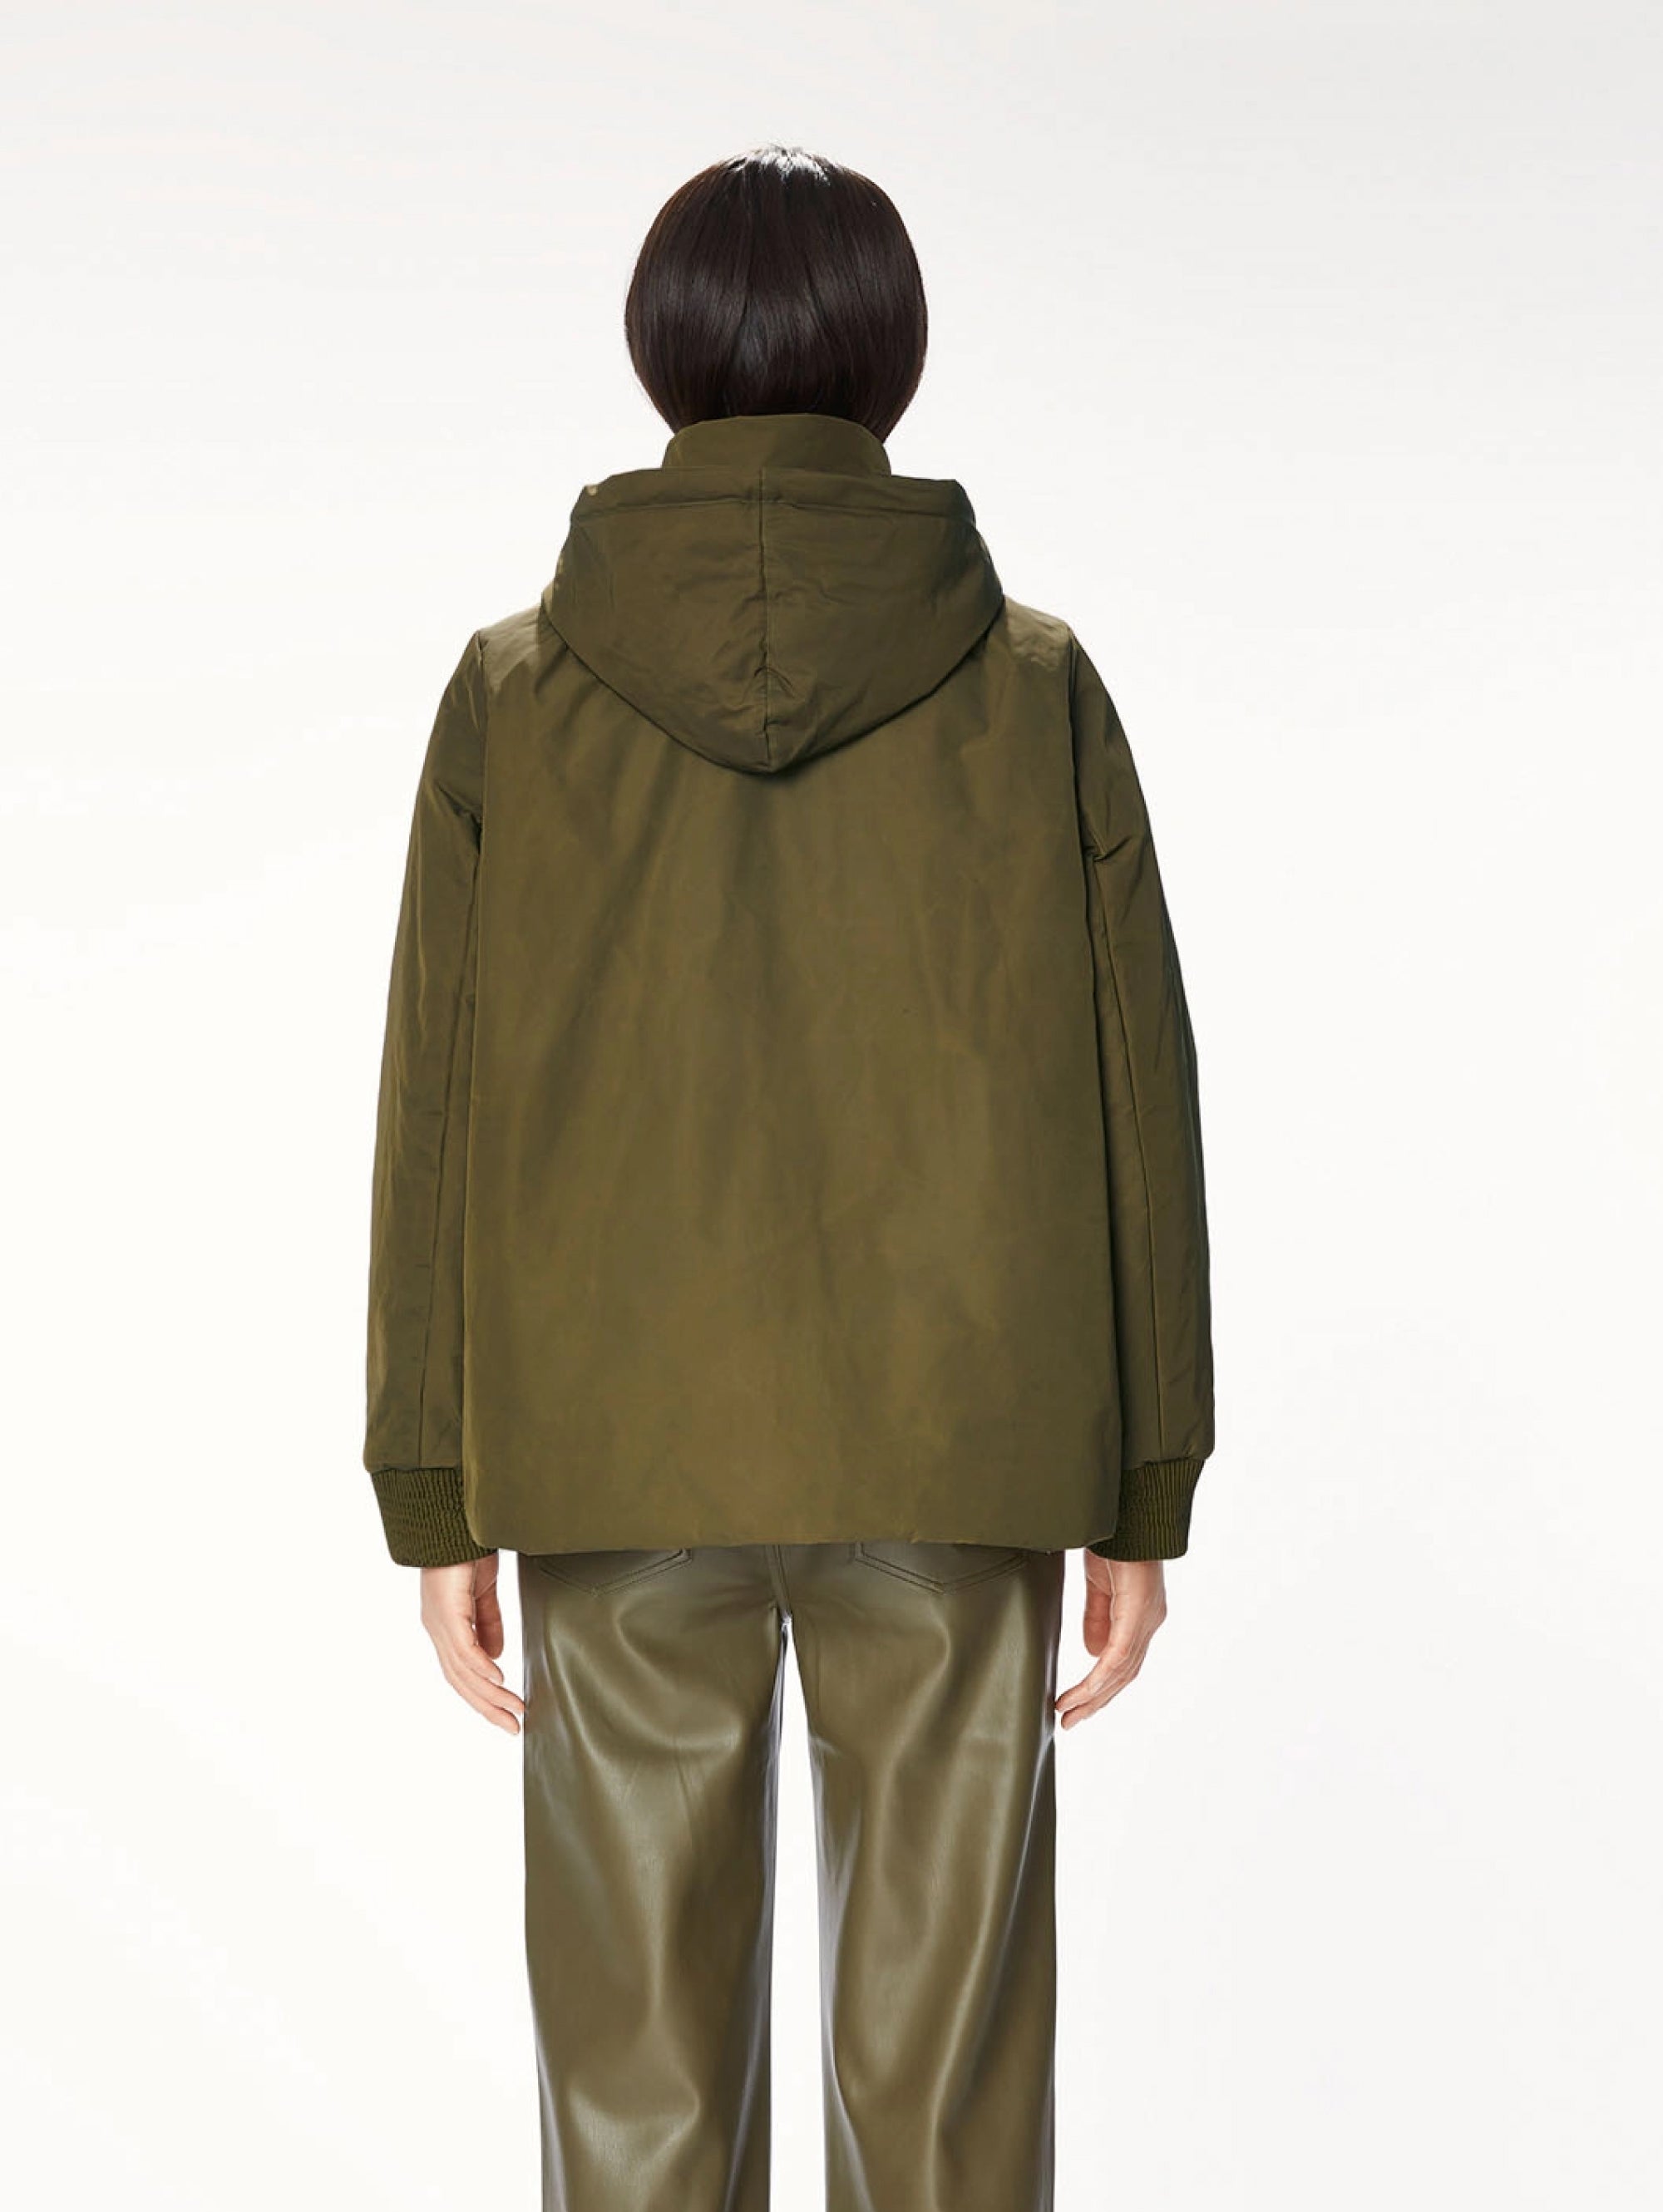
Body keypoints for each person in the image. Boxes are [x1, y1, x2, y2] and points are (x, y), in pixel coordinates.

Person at [362, 143, 1214, 2212]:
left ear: (661, 352)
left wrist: (436, 1482)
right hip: (961, 1445)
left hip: (610, 1449)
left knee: (633, 2102)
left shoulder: (512, 693)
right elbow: (1140, 1094)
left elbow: (435, 1098)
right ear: (888, 355)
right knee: (944, 2109)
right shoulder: (1033, 686)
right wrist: (1142, 1479)